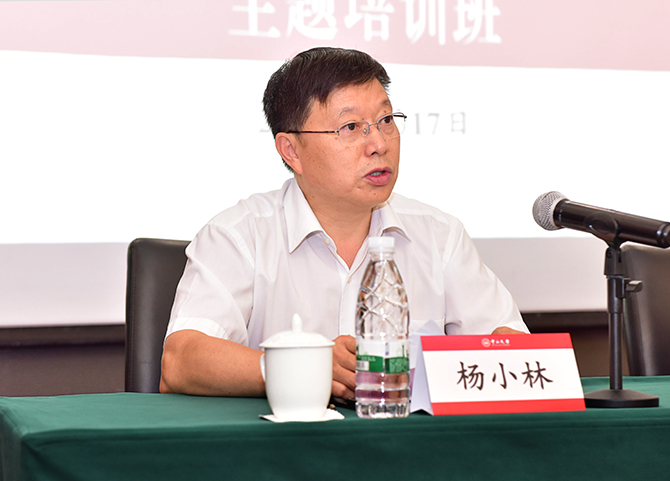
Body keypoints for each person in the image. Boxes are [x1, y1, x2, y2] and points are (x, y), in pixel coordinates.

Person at [160, 47, 528, 400]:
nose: (378, 143)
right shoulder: (239, 236)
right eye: (351, 127)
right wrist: (303, 368)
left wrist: (502, 347)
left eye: (386, 121)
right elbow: (180, 361)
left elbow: (513, 345)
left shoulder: (440, 236)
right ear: (291, 150)